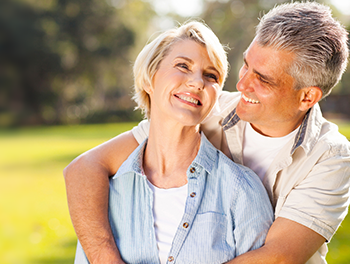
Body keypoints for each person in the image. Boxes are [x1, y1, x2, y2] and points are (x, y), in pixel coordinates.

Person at [64, 2, 350, 264]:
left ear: (307, 97)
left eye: (262, 80)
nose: (242, 86)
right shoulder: (206, 108)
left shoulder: (330, 157)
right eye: (246, 66)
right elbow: (86, 167)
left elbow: (277, 258)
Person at [72, 21, 274, 264]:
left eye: (211, 76)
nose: (197, 82)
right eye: (183, 66)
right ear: (149, 79)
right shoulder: (106, 193)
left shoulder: (242, 189)